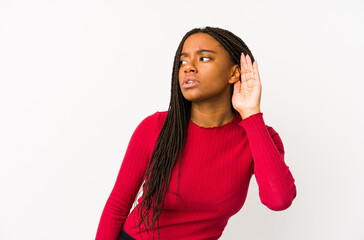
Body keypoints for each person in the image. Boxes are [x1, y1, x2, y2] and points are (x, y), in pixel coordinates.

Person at [95, 26, 297, 240]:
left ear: (234, 72)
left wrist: (251, 114)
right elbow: (116, 208)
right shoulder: (156, 127)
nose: (188, 67)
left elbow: (279, 200)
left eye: (204, 58)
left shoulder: (259, 137)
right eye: (183, 61)